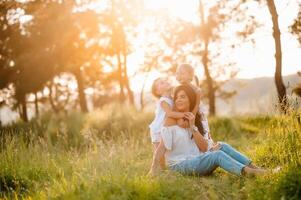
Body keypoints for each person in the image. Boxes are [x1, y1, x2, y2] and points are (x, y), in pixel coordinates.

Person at [149, 84, 267, 177]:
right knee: (217, 155)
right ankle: (249, 173)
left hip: (195, 160)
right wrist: (153, 170)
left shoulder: (192, 118)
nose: (178, 100)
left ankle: (256, 168)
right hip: (179, 165)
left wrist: (192, 126)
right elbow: (161, 148)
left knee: (222, 146)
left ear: (190, 100)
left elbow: (204, 148)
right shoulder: (171, 120)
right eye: (177, 98)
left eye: (183, 97)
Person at [176, 63, 214, 150]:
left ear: (190, 76)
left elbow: (197, 105)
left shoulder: (192, 89)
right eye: (177, 73)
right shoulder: (182, 88)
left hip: (197, 115)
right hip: (191, 115)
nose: (178, 76)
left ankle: (208, 147)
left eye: (182, 73)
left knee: (203, 131)